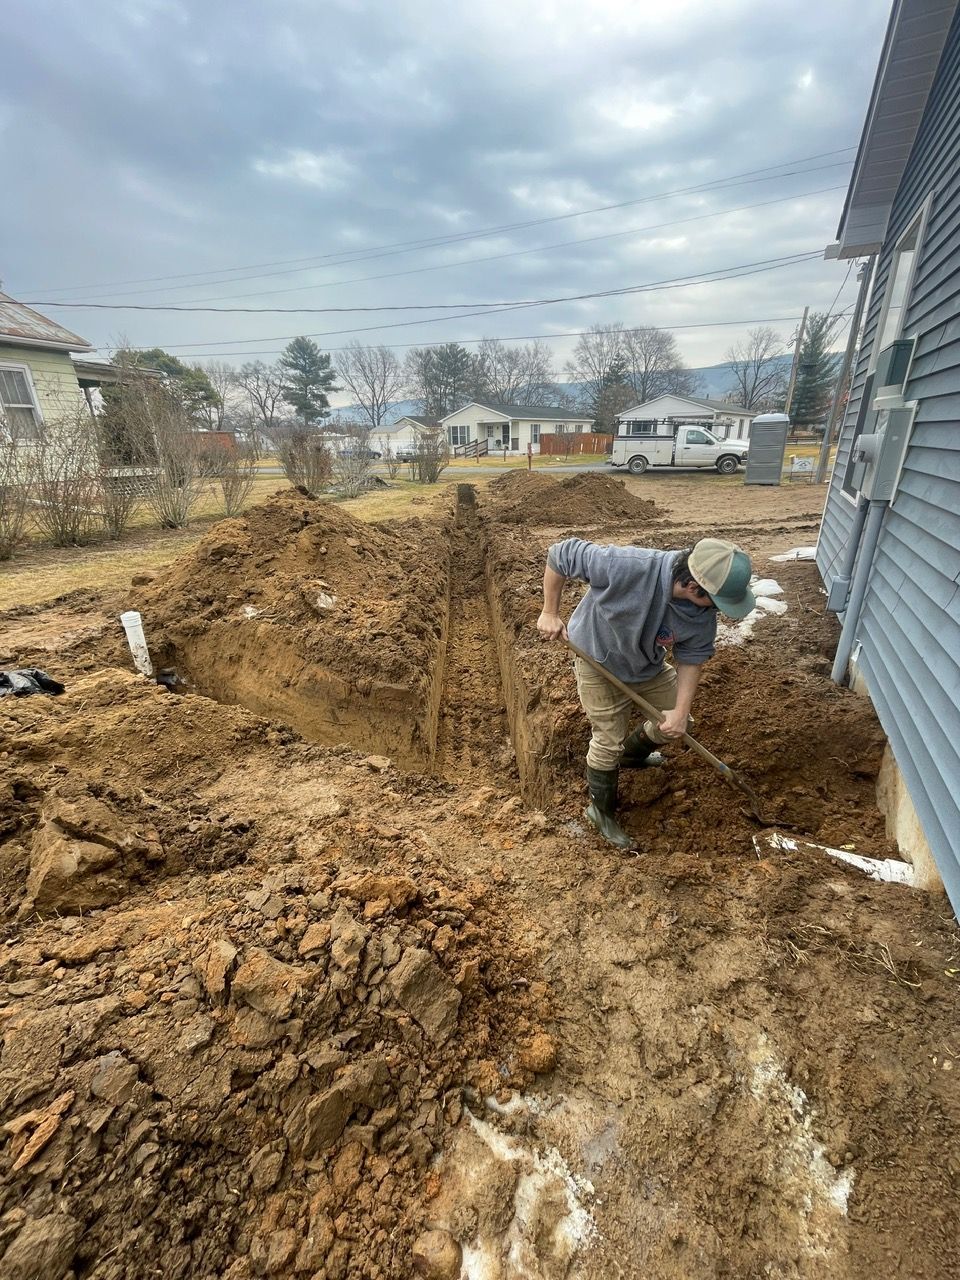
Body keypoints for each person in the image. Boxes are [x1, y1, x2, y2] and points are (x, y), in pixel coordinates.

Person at [537, 537, 755, 849]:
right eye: (717, 602)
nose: (718, 611)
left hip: (645, 666)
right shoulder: (628, 566)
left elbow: (691, 659)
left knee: (681, 724)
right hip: (597, 659)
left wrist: (679, 712)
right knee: (607, 740)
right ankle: (600, 812)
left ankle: (632, 754)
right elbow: (561, 554)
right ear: (695, 588)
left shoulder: (702, 614)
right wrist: (549, 611)